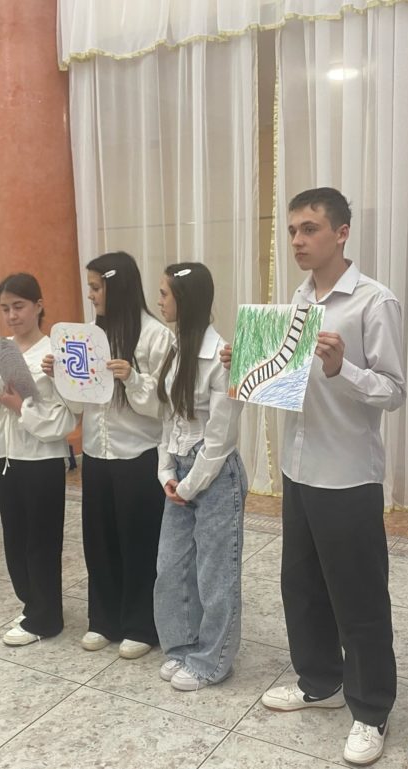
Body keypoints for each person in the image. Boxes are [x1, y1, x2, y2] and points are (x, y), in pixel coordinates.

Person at [224, 187, 403, 765]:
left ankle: (371, 709)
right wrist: (246, 365)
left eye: (310, 229)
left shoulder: (373, 301)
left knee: (359, 598)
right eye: (293, 231)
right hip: (298, 468)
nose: (298, 241)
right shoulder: (297, 301)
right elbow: (284, 381)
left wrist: (341, 367)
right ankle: (319, 682)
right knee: (301, 587)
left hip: (347, 473)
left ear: (342, 233)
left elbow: (393, 392)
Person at [43, 251, 174, 659]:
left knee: (139, 542)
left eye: (96, 287)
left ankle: (141, 624)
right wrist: (59, 376)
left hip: (138, 454)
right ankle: (104, 619)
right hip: (97, 454)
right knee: (99, 540)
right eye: (90, 287)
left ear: (117, 286)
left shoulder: (155, 336)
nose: (91, 295)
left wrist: (132, 378)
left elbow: (164, 406)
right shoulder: (86, 337)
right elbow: (78, 404)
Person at [153, 262, 246, 692]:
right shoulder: (175, 348)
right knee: (171, 567)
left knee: (215, 573)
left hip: (214, 475)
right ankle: (183, 645)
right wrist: (166, 471)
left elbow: (221, 437)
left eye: (165, 294)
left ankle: (213, 660)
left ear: (185, 301)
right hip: (179, 471)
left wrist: (189, 484)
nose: (159, 301)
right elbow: (169, 418)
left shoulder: (222, 356)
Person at [0, 273, 77, 646]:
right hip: (5, 457)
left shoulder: (53, 353)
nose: (12, 316)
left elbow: (67, 418)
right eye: (5, 308)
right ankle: (33, 604)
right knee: (14, 538)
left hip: (41, 458)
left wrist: (18, 404)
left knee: (41, 541)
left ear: (38, 306)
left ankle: (46, 619)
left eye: (19, 306)